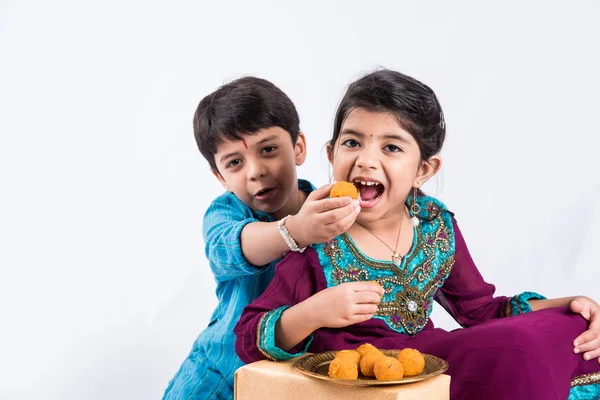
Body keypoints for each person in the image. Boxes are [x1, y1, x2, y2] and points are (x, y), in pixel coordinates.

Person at [234, 69, 600, 399]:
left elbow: (481, 311)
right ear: (331, 154)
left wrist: (566, 304)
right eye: (352, 143)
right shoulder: (320, 233)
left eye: (391, 147)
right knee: (518, 347)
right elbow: (249, 337)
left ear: (424, 169)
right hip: (360, 380)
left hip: (430, 365)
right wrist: (313, 313)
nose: (366, 160)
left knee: (566, 325)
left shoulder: (433, 225)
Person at [163, 76, 361, 399]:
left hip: (294, 383)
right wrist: (297, 231)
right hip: (219, 377)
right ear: (220, 177)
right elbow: (234, 246)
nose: (255, 171)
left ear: (298, 147)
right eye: (235, 163)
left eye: (268, 149)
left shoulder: (332, 208)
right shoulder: (225, 214)